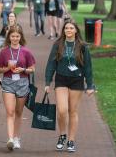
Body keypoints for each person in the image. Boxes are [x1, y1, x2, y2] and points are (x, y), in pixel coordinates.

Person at [44, 19, 95, 153]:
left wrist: (90, 85)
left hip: (77, 80)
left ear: (76, 30)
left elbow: (88, 67)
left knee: (73, 111)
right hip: (61, 79)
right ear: (63, 30)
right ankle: (62, 136)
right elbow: (51, 64)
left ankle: (71, 140)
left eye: (71, 28)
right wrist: (47, 82)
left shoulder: (82, 46)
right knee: (62, 110)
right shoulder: (58, 44)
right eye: (66, 28)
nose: (69, 30)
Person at [0, 26, 36, 151]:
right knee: (10, 112)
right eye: (12, 36)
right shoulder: (4, 52)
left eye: (17, 36)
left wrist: (23, 69)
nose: (14, 38)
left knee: (18, 112)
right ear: (9, 37)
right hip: (8, 82)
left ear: (21, 37)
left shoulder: (26, 52)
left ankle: (16, 137)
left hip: (22, 82)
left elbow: (32, 69)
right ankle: (10, 139)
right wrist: (7, 68)